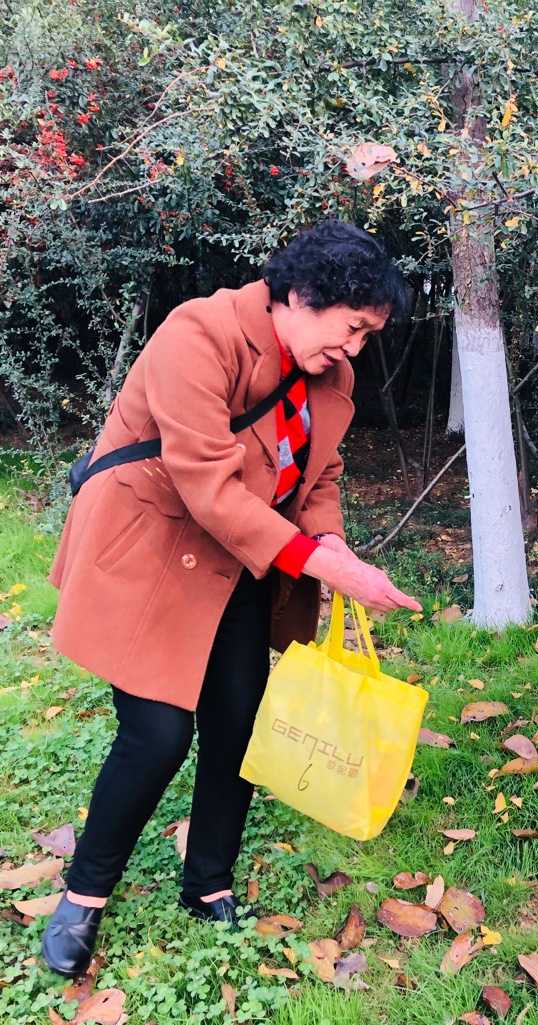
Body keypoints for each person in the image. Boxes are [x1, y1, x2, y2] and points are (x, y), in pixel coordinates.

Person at [40, 220, 423, 979]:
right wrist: (326, 567)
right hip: (153, 551)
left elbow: (321, 476)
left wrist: (332, 541)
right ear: (301, 296)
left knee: (238, 727)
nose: (354, 350)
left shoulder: (328, 376)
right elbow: (208, 487)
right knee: (156, 735)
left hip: (245, 562)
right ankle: (83, 897)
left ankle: (207, 880)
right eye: (351, 328)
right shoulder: (199, 335)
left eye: (367, 336)